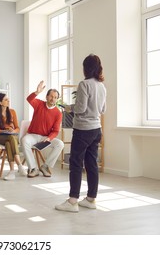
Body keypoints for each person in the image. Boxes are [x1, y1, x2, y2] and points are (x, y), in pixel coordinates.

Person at [55, 54, 107, 213]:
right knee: (92, 164)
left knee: (76, 164)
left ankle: (72, 201)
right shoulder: (102, 86)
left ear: (86, 68)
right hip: (96, 129)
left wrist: (69, 107)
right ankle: (91, 199)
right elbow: (103, 110)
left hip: (83, 130)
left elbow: (81, 109)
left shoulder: (84, 84)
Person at [21, 81, 64, 178]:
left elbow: (56, 130)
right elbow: (29, 99)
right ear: (47, 97)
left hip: (45, 138)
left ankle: (45, 166)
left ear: (57, 99)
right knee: (24, 140)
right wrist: (37, 92)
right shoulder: (39, 104)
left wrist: (49, 138)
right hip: (32, 135)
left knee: (60, 144)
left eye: (55, 97)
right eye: (51, 96)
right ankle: (33, 168)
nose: (53, 99)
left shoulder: (58, 113)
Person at [0, 93, 26, 181]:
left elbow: (17, 128)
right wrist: (5, 131)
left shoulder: (12, 112)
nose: (8, 101)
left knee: (8, 143)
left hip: (11, 136)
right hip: (0, 137)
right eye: (6, 100)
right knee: (10, 138)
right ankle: (20, 165)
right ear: (0, 102)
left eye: (8, 99)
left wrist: (13, 131)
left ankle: (12, 171)